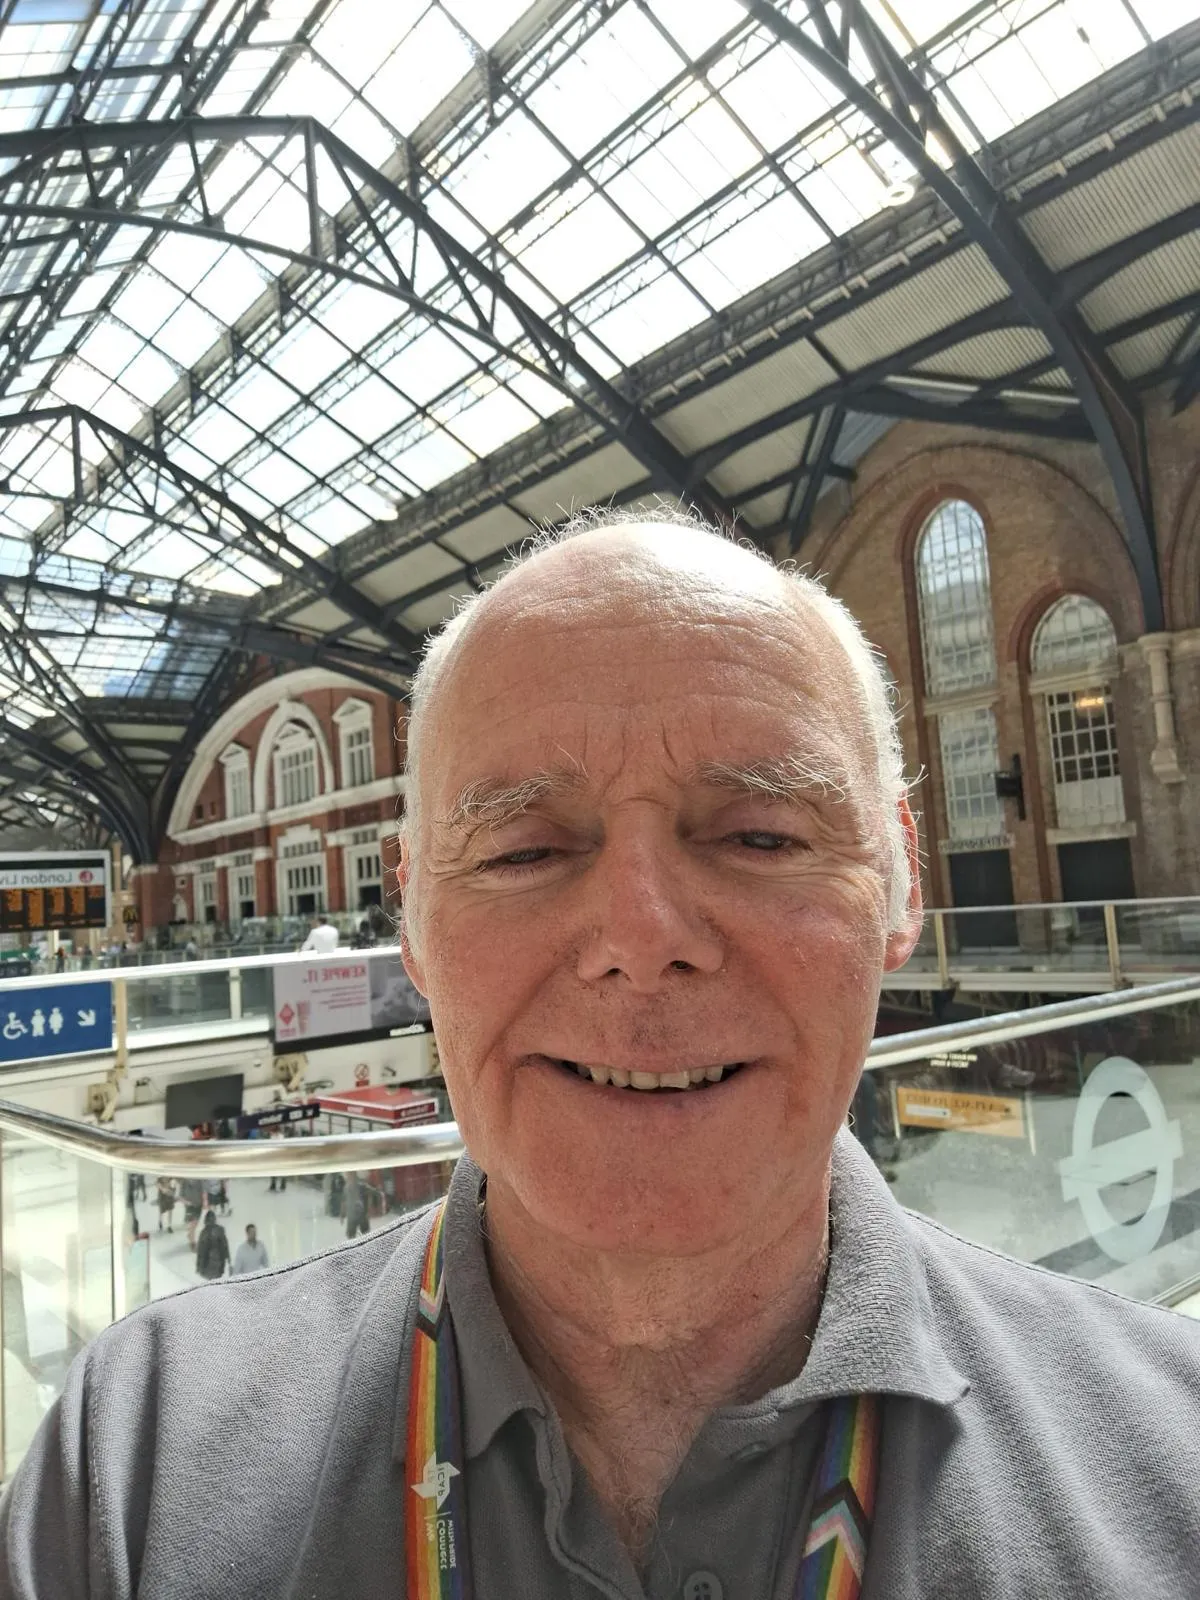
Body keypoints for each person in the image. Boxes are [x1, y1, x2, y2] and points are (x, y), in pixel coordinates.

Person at [4, 509, 1200, 1600]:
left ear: (899, 886)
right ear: (412, 920)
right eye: (523, 850)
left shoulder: (1173, 1463)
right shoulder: (130, 1475)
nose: (639, 938)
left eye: (760, 833)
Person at [193, 1211, 230, 1282]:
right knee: (214, 1279)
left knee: (211, 1280)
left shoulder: (204, 1232)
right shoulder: (219, 1230)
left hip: (210, 1261)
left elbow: (201, 1250)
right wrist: (227, 1257)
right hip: (216, 1261)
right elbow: (225, 1245)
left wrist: (198, 1266)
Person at [179, 1177, 204, 1248]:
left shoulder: (199, 1180)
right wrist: (186, 1202)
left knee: (195, 1224)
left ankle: (190, 1235)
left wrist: (204, 1202)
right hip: (189, 1207)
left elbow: (202, 1192)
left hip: (198, 1205)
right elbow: (180, 1196)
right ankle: (192, 1243)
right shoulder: (184, 1182)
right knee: (192, 1224)